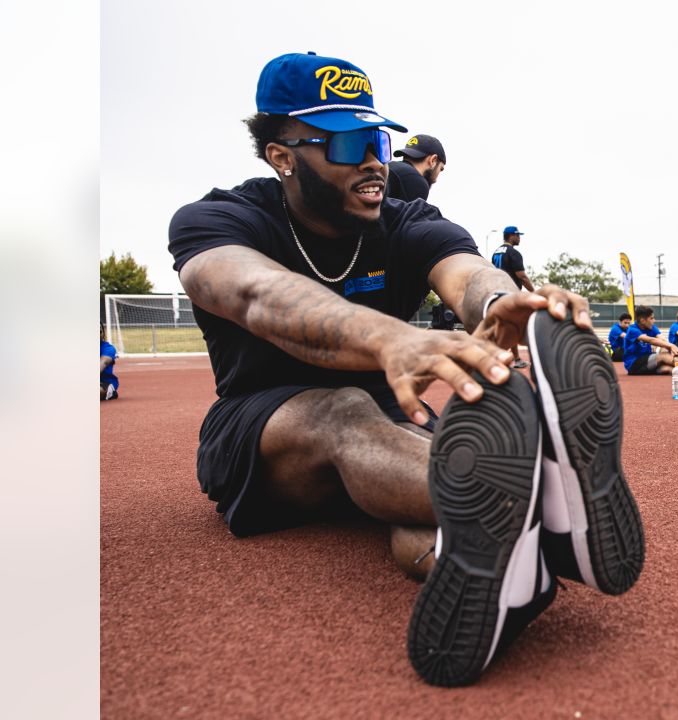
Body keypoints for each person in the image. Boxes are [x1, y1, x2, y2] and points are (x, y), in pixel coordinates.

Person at [167, 52, 645, 688]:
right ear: (282, 153)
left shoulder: (405, 218)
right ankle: (554, 507)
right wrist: (388, 338)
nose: (372, 158)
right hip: (265, 429)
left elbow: (467, 272)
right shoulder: (221, 219)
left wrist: (505, 304)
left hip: (391, 429)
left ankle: (511, 569)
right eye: (347, 141)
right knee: (345, 412)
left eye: (378, 137)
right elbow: (251, 292)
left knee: (441, 490)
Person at [491, 225, 535, 367]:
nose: (519, 238)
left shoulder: (496, 252)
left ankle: (514, 358)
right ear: (511, 236)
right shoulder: (513, 252)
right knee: (517, 325)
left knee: (504, 326)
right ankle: (518, 359)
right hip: (510, 293)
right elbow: (521, 276)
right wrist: (534, 292)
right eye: (518, 235)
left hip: (495, 292)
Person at [623, 305, 678, 375]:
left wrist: (668, 348)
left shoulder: (651, 327)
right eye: (651, 318)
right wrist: (671, 346)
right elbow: (651, 340)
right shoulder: (632, 330)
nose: (654, 320)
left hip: (646, 362)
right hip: (634, 364)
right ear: (643, 320)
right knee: (663, 356)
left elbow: (662, 339)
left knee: (666, 368)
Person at [385, 134, 445, 202]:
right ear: (433, 160)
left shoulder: (387, 167)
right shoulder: (416, 181)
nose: (435, 180)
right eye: (441, 169)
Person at [100, 326, 120, 400]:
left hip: (104, 382)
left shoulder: (108, 348)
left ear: (103, 333)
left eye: (100, 332)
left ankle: (110, 391)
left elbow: (103, 362)